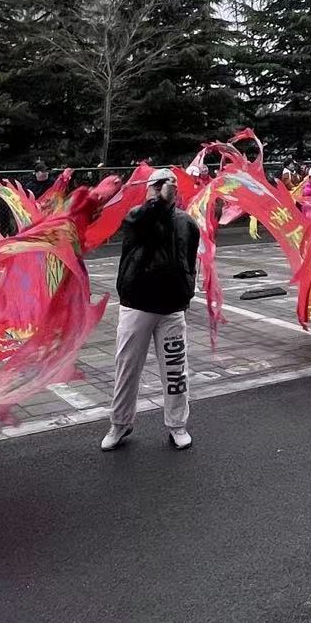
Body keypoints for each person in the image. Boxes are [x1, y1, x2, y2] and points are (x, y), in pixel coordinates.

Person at [102, 169, 199, 452]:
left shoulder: (186, 223)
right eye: (156, 185)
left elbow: (189, 259)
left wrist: (186, 291)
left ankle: (177, 425)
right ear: (148, 189)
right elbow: (141, 222)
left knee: (176, 370)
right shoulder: (137, 216)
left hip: (171, 307)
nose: (162, 190)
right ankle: (120, 423)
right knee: (127, 368)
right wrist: (158, 202)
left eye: (168, 186)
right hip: (137, 304)